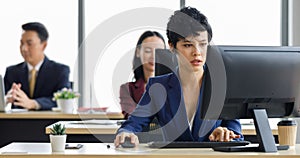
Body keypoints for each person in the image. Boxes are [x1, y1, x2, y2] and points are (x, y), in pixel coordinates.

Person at [114, 7, 243, 147]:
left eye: (203, 44)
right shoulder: (158, 87)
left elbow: (236, 133)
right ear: (172, 47)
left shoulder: (221, 85)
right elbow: (133, 124)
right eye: (188, 45)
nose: (197, 52)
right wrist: (125, 133)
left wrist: (225, 134)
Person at [4, 22, 70, 110]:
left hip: (48, 122)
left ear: (44, 45)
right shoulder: (12, 72)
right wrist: (6, 99)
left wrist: (34, 103)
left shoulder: (60, 71)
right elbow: (2, 99)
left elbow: (63, 100)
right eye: (22, 43)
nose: (24, 48)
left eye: (29, 43)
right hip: (17, 122)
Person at [119, 31, 166, 119]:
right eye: (148, 51)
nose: (153, 56)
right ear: (138, 52)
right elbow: (132, 116)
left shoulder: (175, 85)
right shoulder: (127, 89)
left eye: (159, 51)